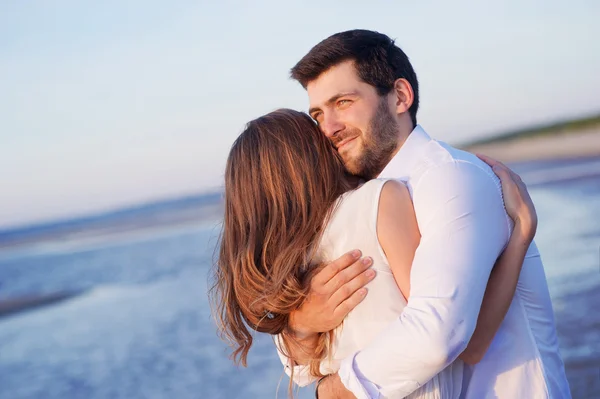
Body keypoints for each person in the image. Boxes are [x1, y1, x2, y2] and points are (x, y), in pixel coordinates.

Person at [278, 29, 570, 398]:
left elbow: (441, 335)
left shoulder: (451, 178)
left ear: (400, 96)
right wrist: (302, 325)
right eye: (319, 113)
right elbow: (303, 366)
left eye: (343, 102)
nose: (329, 128)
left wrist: (333, 391)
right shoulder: (358, 203)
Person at [212, 109, 543, 398]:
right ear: (311, 156)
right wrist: (521, 236)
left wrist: (300, 327)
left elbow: (301, 372)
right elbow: (463, 342)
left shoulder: (285, 260)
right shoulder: (378, 202)